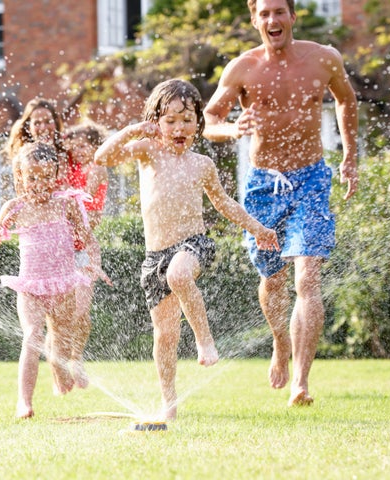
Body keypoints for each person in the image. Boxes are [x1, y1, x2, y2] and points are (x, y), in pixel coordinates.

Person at [202, 0, 359, 406]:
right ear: (255, 20)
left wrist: (350, 155)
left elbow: (346, 100)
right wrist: (233, 128)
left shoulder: (324, 59)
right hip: (262, 185)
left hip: (310, 177)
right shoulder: (242, 68)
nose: (273, 20)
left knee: (307, 277)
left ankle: (301, 383)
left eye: (279, 12)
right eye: (265, 14)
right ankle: (279, 342)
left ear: (292, 16)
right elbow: (210, 121)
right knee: (273, 280)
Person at [95, 78, 279, 420]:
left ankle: (205, 341)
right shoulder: (147, 151)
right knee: (164, 335)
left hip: (193, 244)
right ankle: (169, 403)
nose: (180, 127)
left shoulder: (202, 165)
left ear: (198, 122)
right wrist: (133, 130)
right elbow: (102, 156)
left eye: (187, 119)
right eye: (171, 120)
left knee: (179, 274)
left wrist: (257, 229)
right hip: (155, 256)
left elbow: (224, 204)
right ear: (156, 123)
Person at [0, 142, 92, 419]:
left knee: (61, 341)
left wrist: (93, 263)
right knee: (33, 336)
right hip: (30, 287)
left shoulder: (65, 205)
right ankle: (24, 401)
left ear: (56, 176)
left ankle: (59, 369)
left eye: (46, 177)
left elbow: (87, 237)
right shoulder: (16, 207)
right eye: (32, 177)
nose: (39, 184)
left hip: (63, 286)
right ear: (20, 177)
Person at [63, 121, 113, 384]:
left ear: (97, 146)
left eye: (86, 145)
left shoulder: (97, 168)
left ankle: (76, 358)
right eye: (76, 146)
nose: (80, 150)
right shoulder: (66, 167)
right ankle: (61, 364)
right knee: (61, 312)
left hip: (85, 246)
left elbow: (84, 201)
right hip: (61, 247)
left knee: (81, 310)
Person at [4, 97, 65, 195]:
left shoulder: (68, 152)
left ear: (56, 123)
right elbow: (22, 200)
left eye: (48, 121)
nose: (43, 128)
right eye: (37, 123)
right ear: (28, 127)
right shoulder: (21, 160)